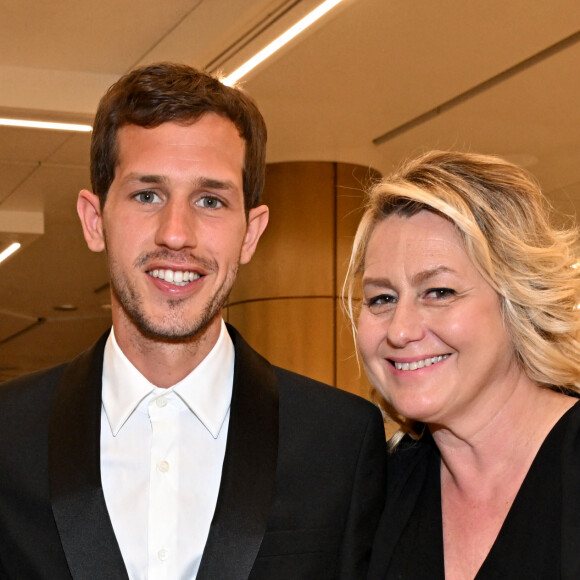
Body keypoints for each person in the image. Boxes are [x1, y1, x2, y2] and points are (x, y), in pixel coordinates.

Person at [0, 62, 387, 580]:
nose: (176, 234)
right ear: (95, 221)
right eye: (147, 195)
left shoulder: (340, 443)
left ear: (250, 233)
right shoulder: (7, 434)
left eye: (210, 200)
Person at [344, 150, 580, 580]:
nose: (400, 330)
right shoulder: (374, 494)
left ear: (518, 299)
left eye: (439, 292)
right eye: (382, 298)